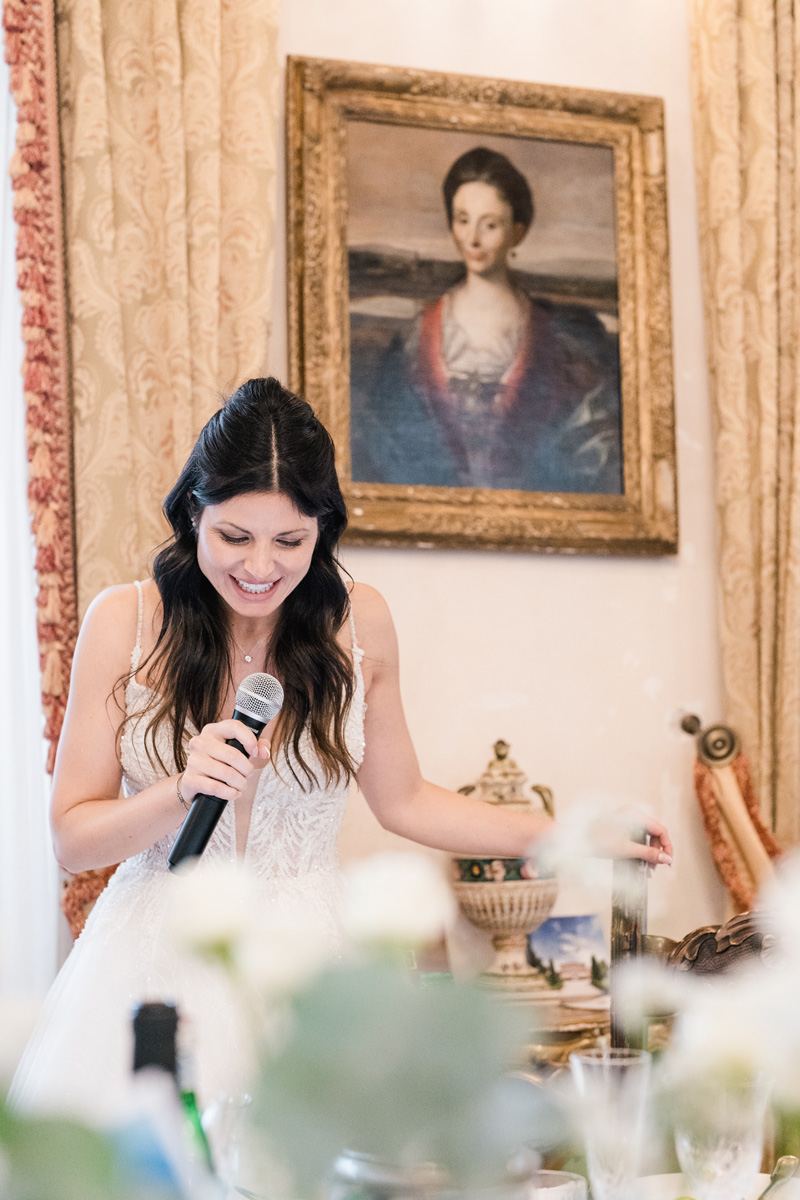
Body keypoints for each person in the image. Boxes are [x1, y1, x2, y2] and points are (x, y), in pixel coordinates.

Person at [9, 377, 670, 1123]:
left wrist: (575, 837)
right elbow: (73, 837)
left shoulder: (359, 625)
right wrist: (178, 790)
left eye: (289, 541)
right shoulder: (125, 622)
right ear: (194, 511)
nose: (260, 567)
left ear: (322, 528)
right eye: (235, 537)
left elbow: (407, 801)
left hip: (310, 963)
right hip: (156, 955)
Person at [351, 146, 623, 493]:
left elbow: (592, 448)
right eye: (462, 220)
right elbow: (382, 440)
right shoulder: (417, 335)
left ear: (517, 232)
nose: (473, 239)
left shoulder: (558, 338)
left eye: (490, 225)